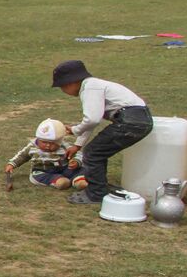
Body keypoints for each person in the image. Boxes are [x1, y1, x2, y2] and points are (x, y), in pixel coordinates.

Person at [50, 59, 152, 205]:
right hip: (138, 120)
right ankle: (100, 187)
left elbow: (92, 120)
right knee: (97, 151)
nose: (63, 91)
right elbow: (92, 121)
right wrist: (78, 145)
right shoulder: (94, 85)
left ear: (70, 83)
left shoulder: (90, 88)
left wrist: (74, 130)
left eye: (62, 87)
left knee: (93, 153)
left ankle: (96, 194)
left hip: (131, 122)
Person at [4, 118, 87, 191]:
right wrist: (12, 164)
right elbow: (22, 156)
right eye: (44, 142)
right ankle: (59, 181)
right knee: (40, 176)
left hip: (63, 168)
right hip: (42, 171)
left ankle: (78, 180)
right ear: (38, 139)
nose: (47, 145)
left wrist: (76, 161)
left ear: (59, 141)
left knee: (79, 169)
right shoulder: (32, 147)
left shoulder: (65, 146)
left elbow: (78, 154)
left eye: (52, 143)